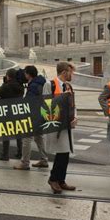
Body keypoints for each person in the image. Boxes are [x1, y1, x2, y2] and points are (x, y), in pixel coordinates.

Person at [43, 62, 78, 193]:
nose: (72, 75)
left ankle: (61, 180)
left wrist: (75, 117)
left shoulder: (68, 86)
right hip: (56, 124)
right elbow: (46, 103)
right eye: (71, 72)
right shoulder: (50, 85)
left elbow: (73, 104)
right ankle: (53, 179)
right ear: (64, 72)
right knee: (61, 153)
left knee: (65, 153)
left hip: (67, 125)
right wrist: (64, 96)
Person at [14, 65, 48, 169]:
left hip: (33, 115)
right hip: (41, 114)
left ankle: (24, 163)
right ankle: (44, 160)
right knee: (39, 137)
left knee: (27, 138)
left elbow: (30, 102)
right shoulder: (41, 83)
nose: (24, 75)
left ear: (28, 74)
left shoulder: (33, 85)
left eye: (25, 73)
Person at [0, 68, 25, 161]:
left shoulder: (7, 86)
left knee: (6, 135)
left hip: (6, 113)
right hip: (17, 112)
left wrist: (4, 83)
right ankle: (20, 153)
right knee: (19, 135)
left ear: (8, 76)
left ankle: (5, 154)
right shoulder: (21, 86)